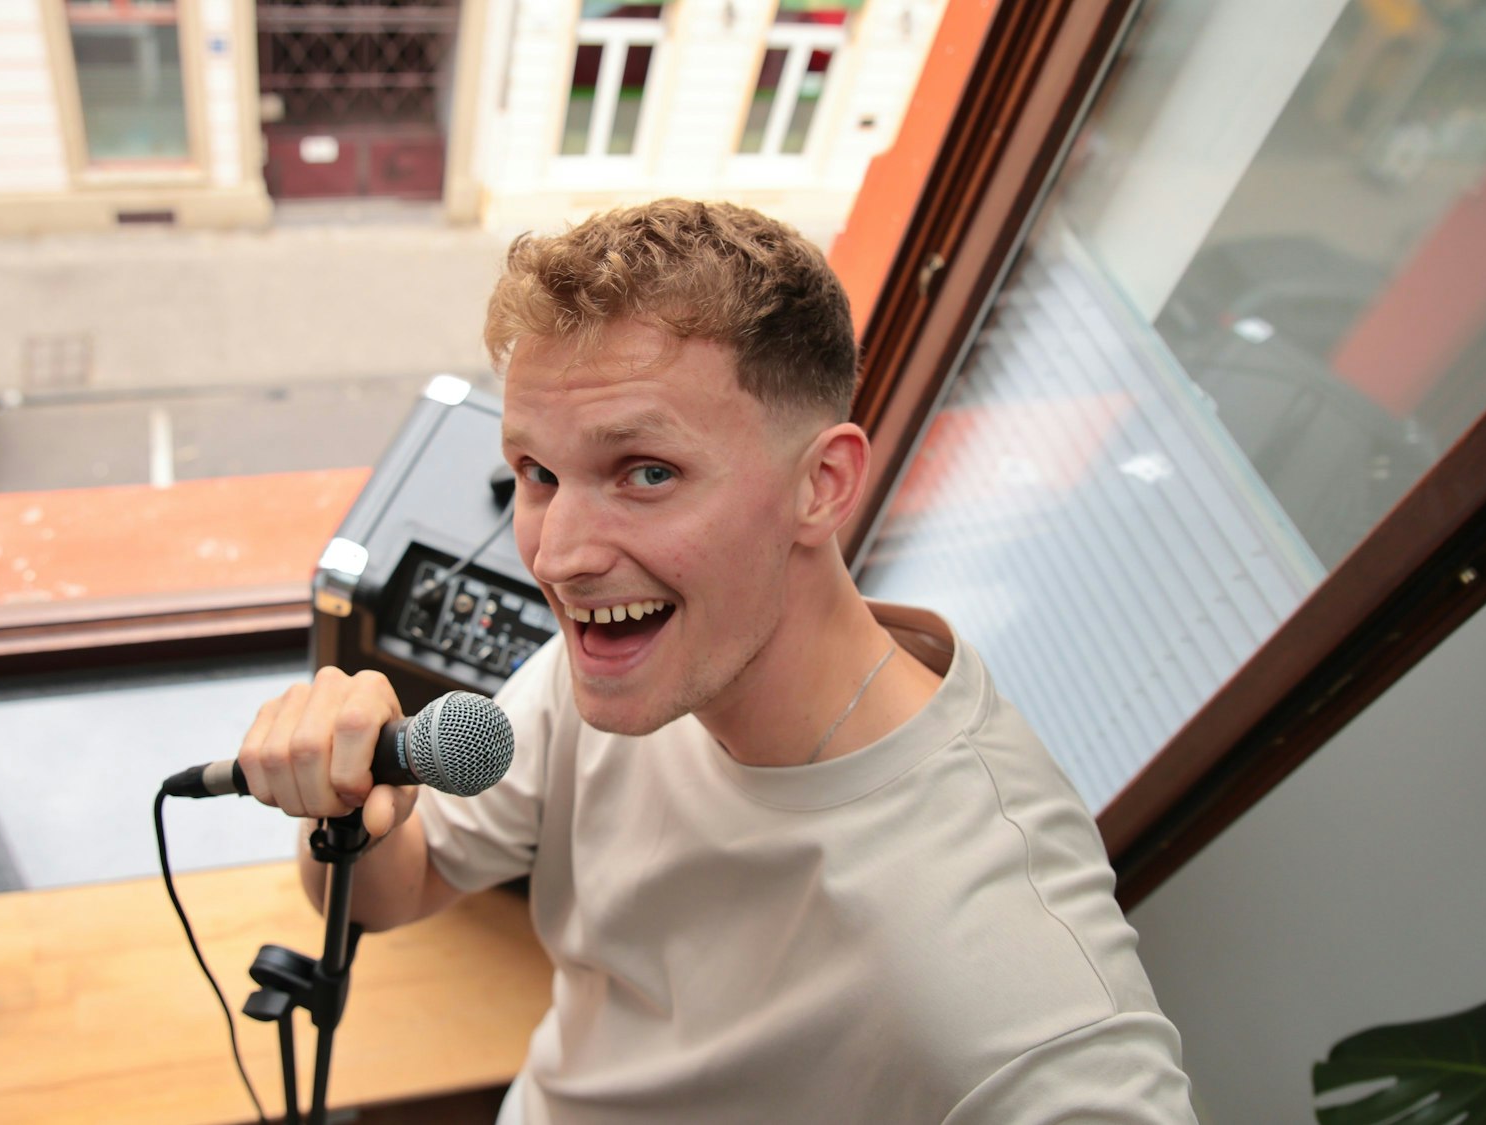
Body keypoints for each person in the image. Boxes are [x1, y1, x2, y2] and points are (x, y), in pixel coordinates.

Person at [238, 200, 1195, 1122]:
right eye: (538, 474)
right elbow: (395, 889)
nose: (559, 553)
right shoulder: (623, 661)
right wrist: (348, 817)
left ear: (822, 486)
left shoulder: (1001, 953)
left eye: (646, 471)